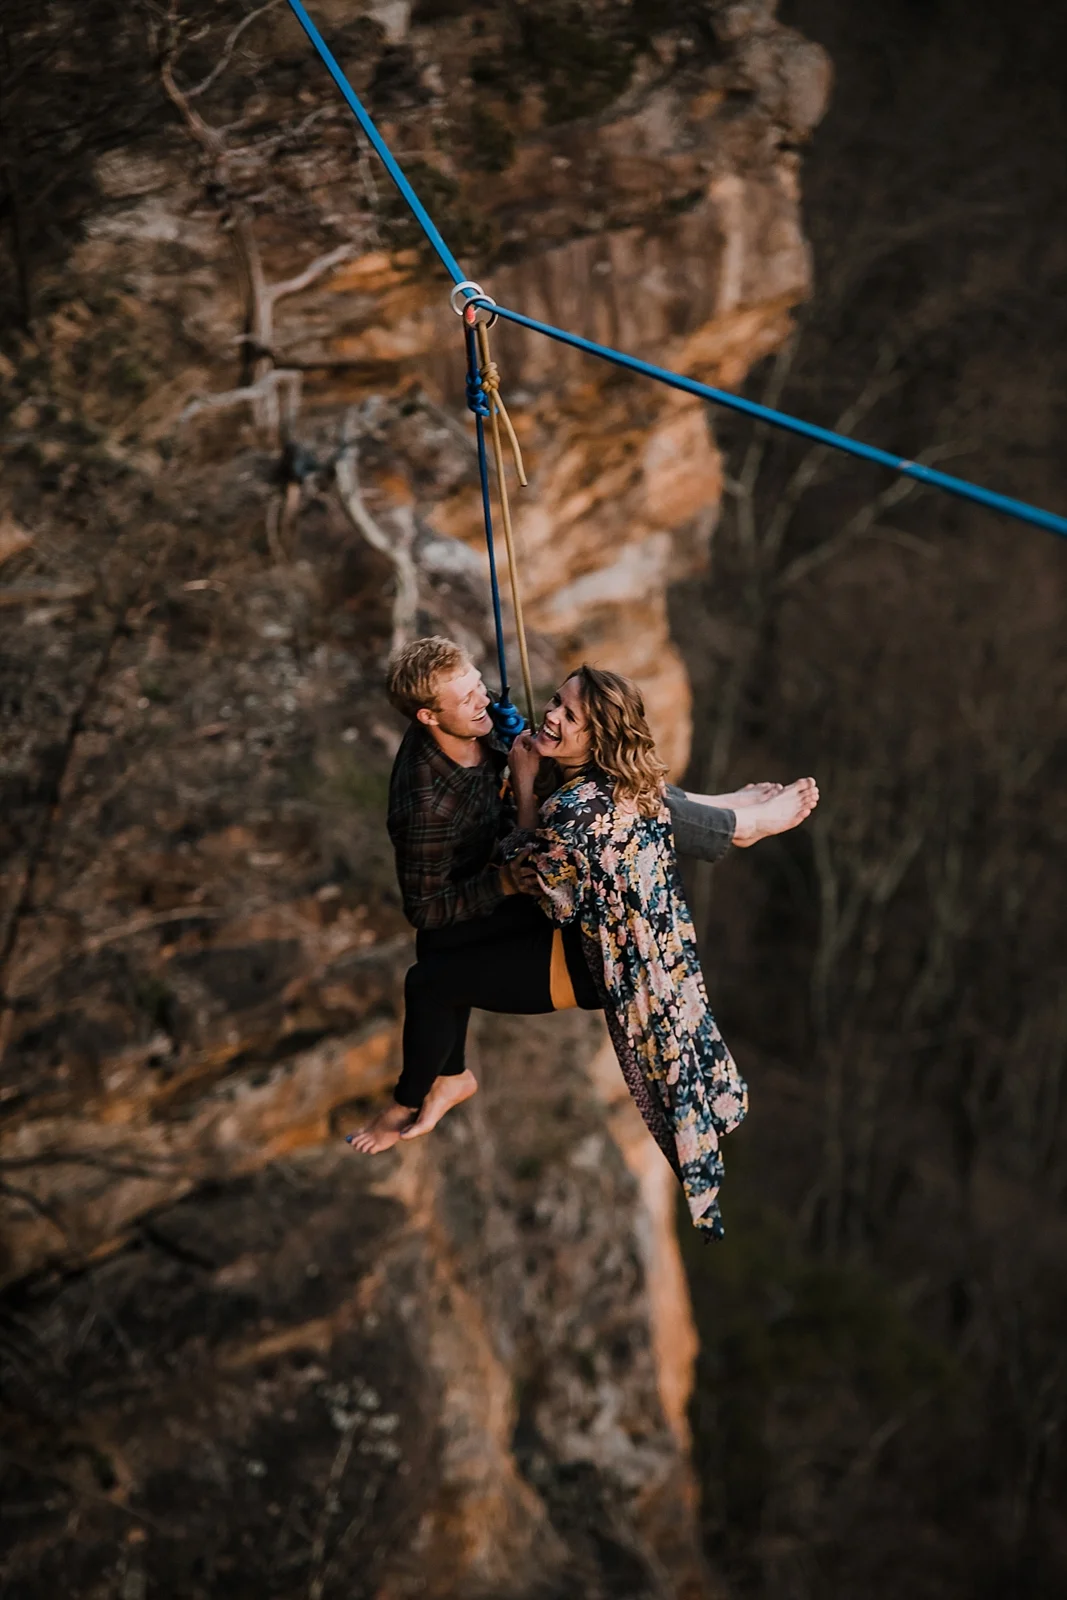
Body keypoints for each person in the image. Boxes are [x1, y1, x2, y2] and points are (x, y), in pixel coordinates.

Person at [347, 639, 818, 1172]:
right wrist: (516, 828)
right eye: (468, 698)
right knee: (435, 944)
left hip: (586, 944)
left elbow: (558, 879)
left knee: (428, 981)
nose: (485, 700)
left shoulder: (489, 734)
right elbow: (435, 907)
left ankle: (410, 1100)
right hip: (559, 912)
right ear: (429, 716)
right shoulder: (425, 805)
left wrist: (516, 761)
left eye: (478, 683)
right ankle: (450, 1077)